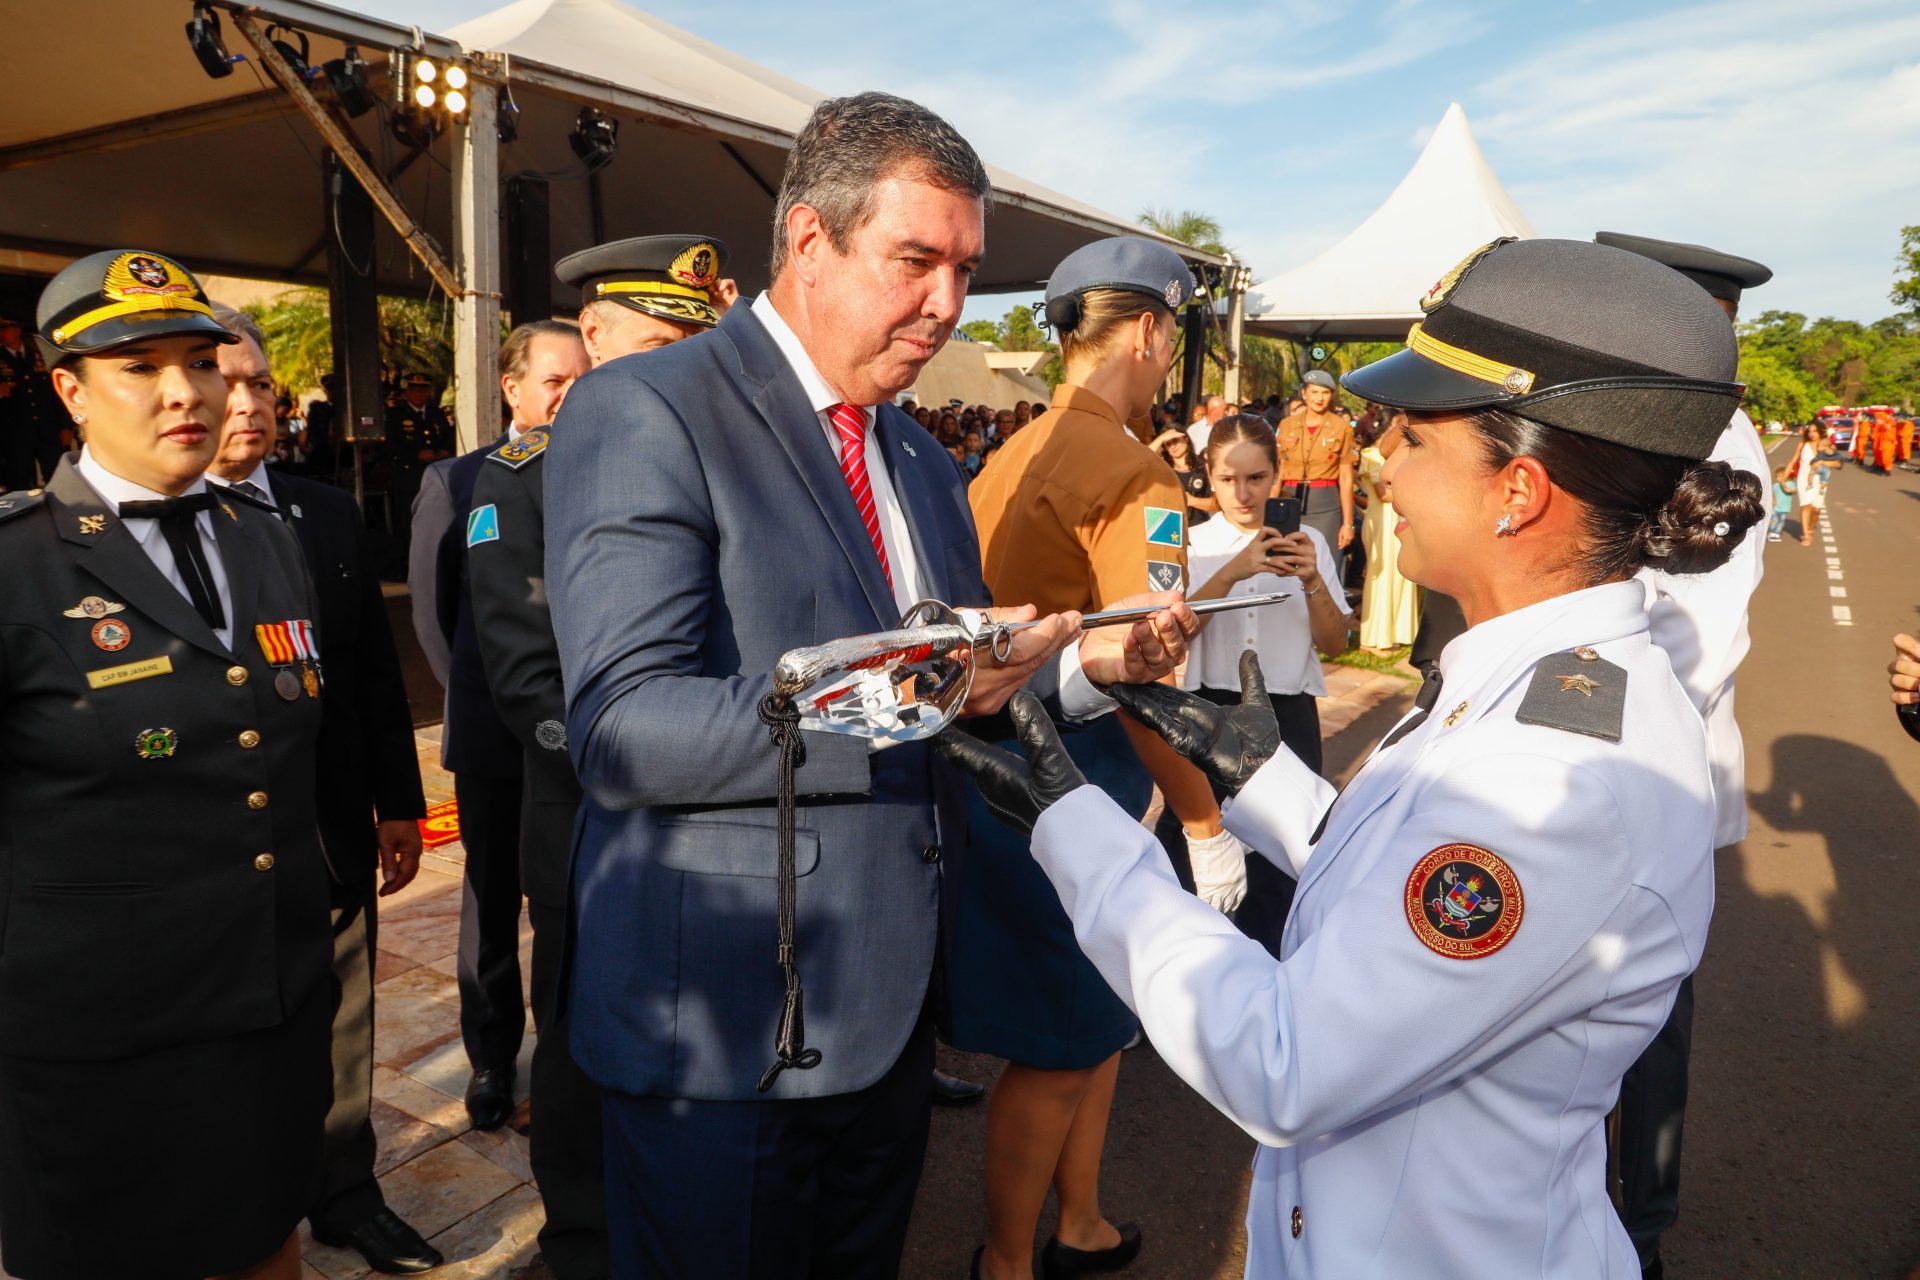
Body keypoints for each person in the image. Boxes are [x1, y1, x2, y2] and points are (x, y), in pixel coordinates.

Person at [937, 235, 1766, 1278]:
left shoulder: (1566, 772)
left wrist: (1076, 829)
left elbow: (1290, 1061)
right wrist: (1264, 779)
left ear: (1518, 492)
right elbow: (1412, 877)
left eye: (1414, 438)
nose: (1376, 460)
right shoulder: (1549, 678)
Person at [541, 92, 1196, 1280]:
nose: (947, 303)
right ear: (807, 241)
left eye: (965, 269)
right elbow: (626, 729)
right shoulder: (647, 407)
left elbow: (956, 687)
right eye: (916, 260)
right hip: (723, 1028)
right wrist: (929, 685)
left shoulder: (918, 457)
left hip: (888, 1012)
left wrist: (1084, 663)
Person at [0, 250, 337, 1280]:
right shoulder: (17, 564)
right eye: (139, 366)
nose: (186, 391)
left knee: (266, 1241)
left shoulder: (266, 538)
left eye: (198, 359)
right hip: (107, 1041)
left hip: (269, 1015)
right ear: (70, 389)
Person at [962, 236, 1212, 1280]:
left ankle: (1081, 1217)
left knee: (1095, 1018)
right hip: (1089, 777)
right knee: (1065, 1035)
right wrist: (1200, 809)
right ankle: (1011, 1260)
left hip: (1009, 760)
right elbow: (1142, 667)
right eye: (1169, 339)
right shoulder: (1133, 467)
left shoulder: (1009, 452)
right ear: (1152, 330)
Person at [471, 237, 719, 1280]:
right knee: (577, 1029)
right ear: (598, 336)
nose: (680, 367)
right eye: (659, 342)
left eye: (694, 345)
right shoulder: (524, 476)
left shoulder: (709, 455)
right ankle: (579, 1235)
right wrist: (643, 751)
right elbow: (524, 670)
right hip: (583, 808)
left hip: (704, 810)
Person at [203, 306, 439, 1274]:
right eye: (231, 384)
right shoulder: (149, 530)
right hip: (210, 846)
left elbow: (375, 676)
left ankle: (345, 1189)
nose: (249, 404)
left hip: (331, 827)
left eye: (261, 384)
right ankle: (240, 1202)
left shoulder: (325, 514)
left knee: (344, 1015)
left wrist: (399, 802)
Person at [1592, 229, 1774, 1280]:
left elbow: (1701, 635)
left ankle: (1643, 1226)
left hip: (1651, 767)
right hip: (1623, 757)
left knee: (1650, 1010)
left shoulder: (1725, 445)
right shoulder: (1673, 419)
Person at [407, 330, 588, 1137]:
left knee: (563, 896)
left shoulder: (603, 465)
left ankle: (566, 1052)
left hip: (575, 737)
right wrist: (488, 704)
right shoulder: (458, 479)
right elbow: (435, 617)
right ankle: (489, 1057)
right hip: (494, 736)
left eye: (582, 377)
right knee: (491, 900)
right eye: (554, 380)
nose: (569, 393)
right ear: (511, 387)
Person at [1182, 413, 1352, 952]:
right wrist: (1231, 570)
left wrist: (1312, 580)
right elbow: (1174, 634)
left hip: (1288, 716)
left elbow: (1336, 643)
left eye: (1256, 478)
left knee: (1287, 855)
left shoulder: (1311, 544)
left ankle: (1277, 982)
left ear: (1276, 476)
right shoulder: (1193, 542)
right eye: (1229, 479)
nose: (1243, 493)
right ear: (1208, 475)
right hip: (1210, 710)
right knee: (1204, 854)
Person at [1273, 369, 1357, 584]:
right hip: (1288, 497)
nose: (1319, 398)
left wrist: (1348, 523)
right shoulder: (1287, 425)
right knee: (1284, 564)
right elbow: (1278, 471)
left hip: (1326, 502)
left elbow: (1346, 478)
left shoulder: (1342, 427)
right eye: (1315, 392)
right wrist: (1269, 508)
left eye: (1325, 393)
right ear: (1304, 394)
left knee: (1325, 564)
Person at [1357, 410, 1416, 651]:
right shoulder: (1370, 455)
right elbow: (1384, 495)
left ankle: (1399, 633)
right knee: (1381, 577)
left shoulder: (1408, 455)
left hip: (1402, 516)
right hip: (1382, 520)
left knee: (1403, 576)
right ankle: (1375, 638)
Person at [382, 372, 452, 569]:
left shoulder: (435, 413)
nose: (419, 394)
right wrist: (415, 455)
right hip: (408, 477)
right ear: (407, 392)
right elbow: (389, 447)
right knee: (407, 524)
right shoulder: (396, 415)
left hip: (436, 476)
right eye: (415, 390)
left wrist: (444, 451)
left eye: (423, 390)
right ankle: (409, 565)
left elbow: (447, 437)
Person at [0, 312, 59, 490]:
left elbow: (55, 390)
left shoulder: (39, 355)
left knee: (57, 478)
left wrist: (64, 425)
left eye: (5, 329)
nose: (1, 334)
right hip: (14, 433)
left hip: (47, 430)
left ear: (17, 330)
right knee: (20, 484)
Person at [1150, 424, 1214, 514]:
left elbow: (1217, 504)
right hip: (1171, 524)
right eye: (1168, 444)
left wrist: (1192, 501)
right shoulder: (1163, 467)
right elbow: (1143, 459)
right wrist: (1162, 437)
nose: (1172, 446)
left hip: (1198, 524)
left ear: (1186, 439)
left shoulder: (1202, 465)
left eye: (1175, 441)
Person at [1794, 424, 1828, 545]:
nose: (1812, 434)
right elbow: (1793, 460)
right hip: (1804, 479)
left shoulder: (1826, 446)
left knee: (1816, 509)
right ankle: (1806, 535)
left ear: (1821, 432)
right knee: (1806, 506)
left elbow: (1837, 462)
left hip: (1821, 480)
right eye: (1810, 431)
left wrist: (1825, 462)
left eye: (1815, 431)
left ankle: (1811, 528)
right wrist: (1783, 478)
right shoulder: (1803, 445)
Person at [1768, 462, 1796, 542]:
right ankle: (1772, 532)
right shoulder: (1775, 485)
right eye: (1777, 477)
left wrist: (1783, 483)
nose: (1778, 479)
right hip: (1776, 507)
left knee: (1781, 521)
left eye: (1780, 477)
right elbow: (1772, 494)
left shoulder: (1790, 484)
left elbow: (1789, 490)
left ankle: (1777, 533)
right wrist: (1773, 500)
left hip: (1785, 508)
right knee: (1774, 520)